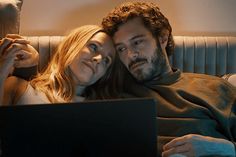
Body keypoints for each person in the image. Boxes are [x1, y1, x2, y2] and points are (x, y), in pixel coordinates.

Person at [102, 1, 236, 157]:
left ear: (163, 37)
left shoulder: (215, 88)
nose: (131, 55)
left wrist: (224, 148)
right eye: (121, 48)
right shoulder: (111, 94)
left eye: (137, 42)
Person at [0, 25, 115, 105]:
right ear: (70, 46)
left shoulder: (106, 109)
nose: (99, 59)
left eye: (106, 60)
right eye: (93, 47)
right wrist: (3, 68)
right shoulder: (19, 87)